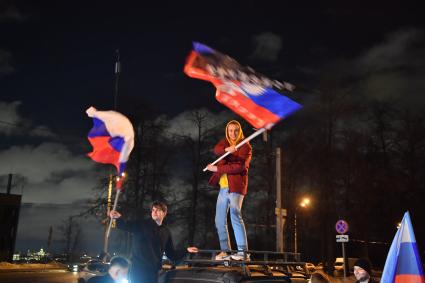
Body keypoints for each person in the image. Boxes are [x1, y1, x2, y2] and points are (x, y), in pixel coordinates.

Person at [109, 201, 199, 283]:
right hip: (138, 271)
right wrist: (118, 218)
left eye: (158, 210)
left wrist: (186, 250)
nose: (154, 212)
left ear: (164, 213)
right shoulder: (142, 225)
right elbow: (126, 225)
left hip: (153, 273)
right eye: (153, 210)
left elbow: (171, 253)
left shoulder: (166, 232)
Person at [206, 120, 252, 261]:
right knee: (219, 220)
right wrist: (227, 149)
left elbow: (239, 167)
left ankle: (243, 253)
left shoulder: (245, 146)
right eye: (230, 130)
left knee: (234, 214)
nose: (233, 133)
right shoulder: (225, 142)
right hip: (224, 187)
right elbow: (216, 149)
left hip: (236, 187)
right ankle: (225, 251)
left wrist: (217, 168)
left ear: (240, 131)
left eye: (236, 130)